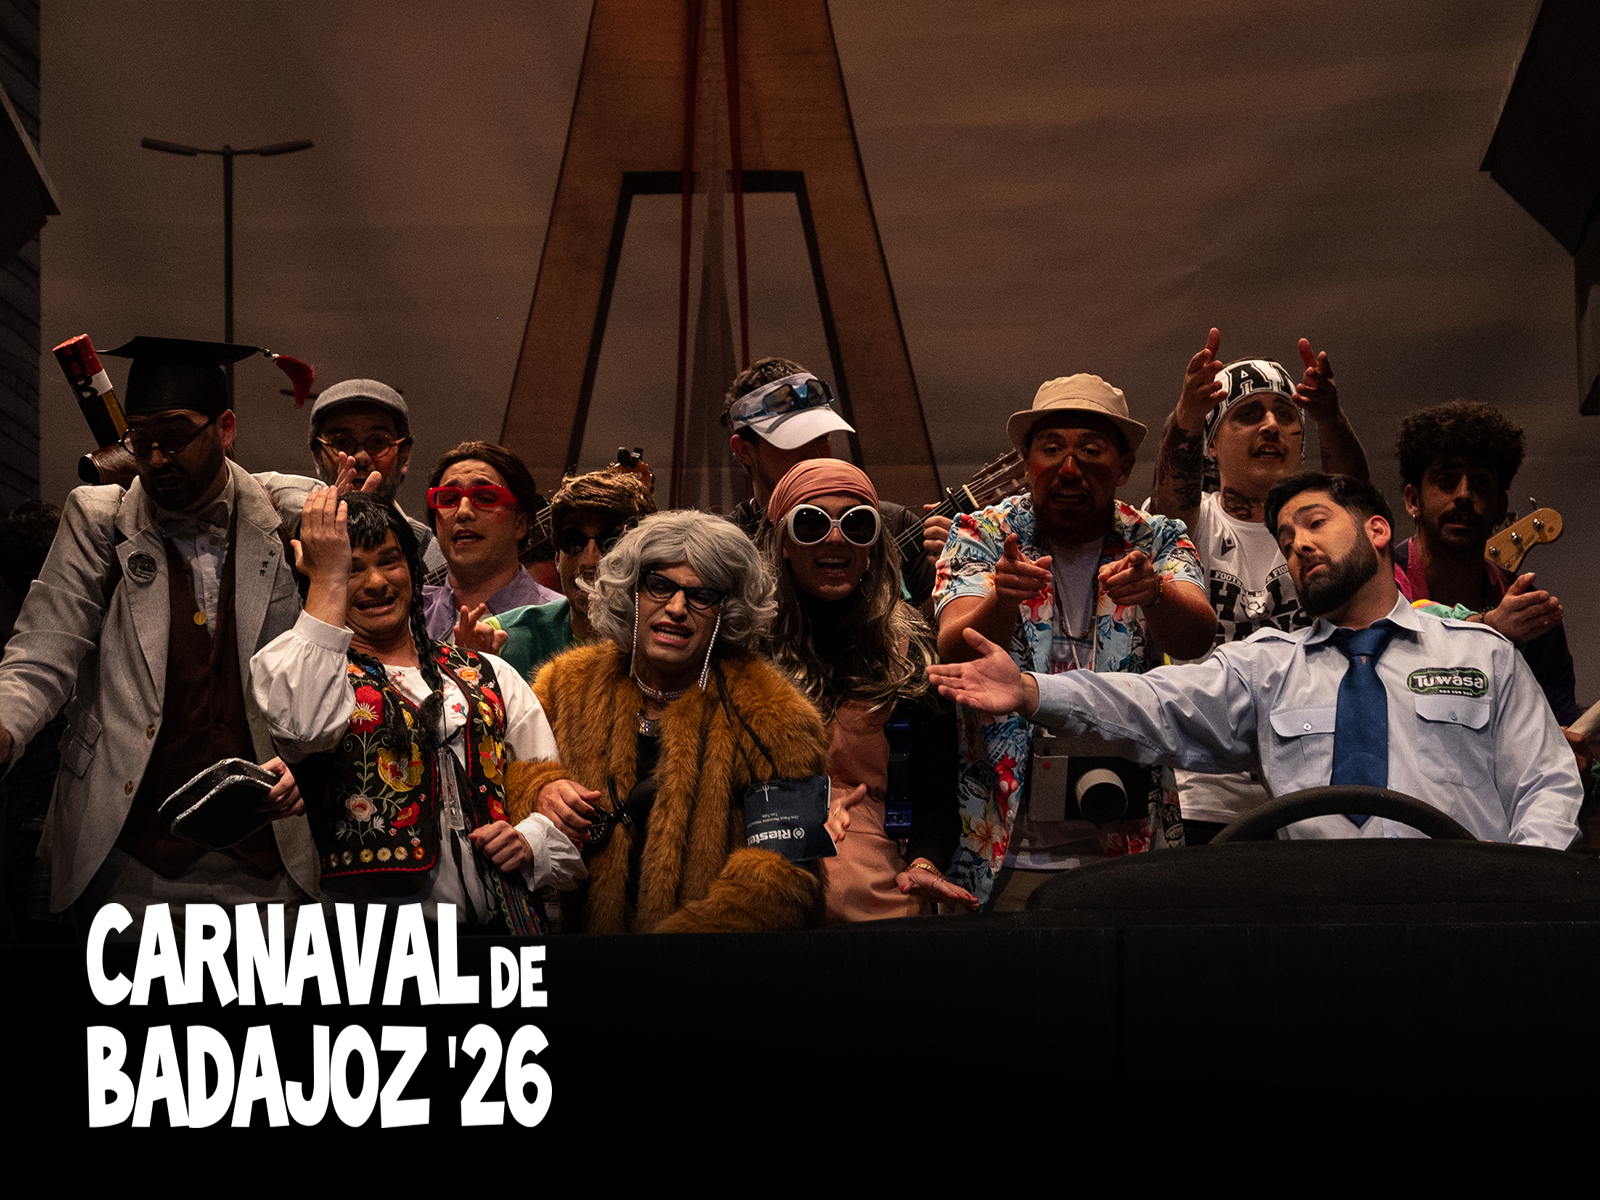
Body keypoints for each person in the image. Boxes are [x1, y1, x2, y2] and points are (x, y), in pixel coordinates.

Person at [929, 471, 1583, 848]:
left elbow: (1547, 786)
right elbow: (1152, 702)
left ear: (1378, 530)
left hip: (1468, 920)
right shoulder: (1268, 667)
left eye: (1316, 523)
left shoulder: (1483, 655)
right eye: (1286, 538)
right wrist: (1034, 690)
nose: (1298, 546)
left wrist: (1516, 898)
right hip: (1315, 927)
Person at [0, 337, 319, 928]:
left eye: (174, 438)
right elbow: (42, 650)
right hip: (127, 859)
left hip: (271, 860)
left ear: (225, 429)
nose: (156, 459)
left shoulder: (289, 514)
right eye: (140, 440)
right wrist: (5, 726)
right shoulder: (99, 518)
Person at [933, 374, 1214, 910]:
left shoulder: (1156, 538)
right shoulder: (982, 533)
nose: (1068, 468)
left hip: (1129, 847)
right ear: (1026, 463)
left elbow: (1197, 636)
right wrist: (1002, 600)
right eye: (1051, 449)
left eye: (1090, 450)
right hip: (1002, 852)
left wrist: (1156, 595)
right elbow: (955, 651)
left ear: (1124, 467)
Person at [251, 490, 581, 928]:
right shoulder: (295, 669)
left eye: (390, 561)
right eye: (352, 568)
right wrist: (327, 576)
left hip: (505, 935)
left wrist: (530, 841)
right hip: (376, 947)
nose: (376, 582)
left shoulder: (489, 673)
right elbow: (307, 729)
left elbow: (557, 806)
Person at [505, 510, 833, 933]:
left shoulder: (775, 714)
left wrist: (676, 949)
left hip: (706, 960)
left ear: (726, 611)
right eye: (660, 587)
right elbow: (497, 781)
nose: (676, 608)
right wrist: (538, 791)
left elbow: (786, 873)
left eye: (702, 595)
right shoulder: (564, 686)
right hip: (575, 957)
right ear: (632, 593)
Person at [1148, 328, 1370, 841]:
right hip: (1204, 793)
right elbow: (1167, 510)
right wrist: (1187, 417)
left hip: (1315, 790)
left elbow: (1357, 505)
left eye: (1285, 415)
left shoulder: (1320, 528)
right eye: (1248, 414)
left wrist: (1329, 417)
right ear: (1211, 444)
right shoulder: (1198, 521)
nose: (1271, 425)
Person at [764, 459, 974, 919]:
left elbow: (936, 792)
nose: (835, 538)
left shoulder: (911, 651)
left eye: (857, 523)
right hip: (762, 870)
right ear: (784, 544)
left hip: (880, 889)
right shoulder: (745, 645)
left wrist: (924, 864)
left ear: (873, 546)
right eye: (812, 523)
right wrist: (799, 808)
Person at [1392, 400, 1577, 727]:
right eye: (1446, 480)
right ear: (1413, 500)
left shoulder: (1531, 612)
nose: (1463, 495)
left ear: (1500, 506)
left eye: (1479, 482)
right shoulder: (1377, 585)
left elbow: (1555, 728)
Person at [722, 356, 938, 606]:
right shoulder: (724, 548)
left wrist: (953, 578)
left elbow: (934, 628)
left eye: (822, 437)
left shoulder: (892, 524)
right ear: (744, 450)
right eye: (793, 440)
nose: (815, 453)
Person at [472, 466, 657, 681]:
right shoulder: (502, 639)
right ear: (557, 557)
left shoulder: (667, 644)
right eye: (573, 541)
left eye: (610, 542)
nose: (589, 562)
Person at [421, 441, 561, 645]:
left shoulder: (562, 622)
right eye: (449, 499)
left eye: (485, 498)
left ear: (520, 524)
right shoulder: (404, 616)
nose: (463, 512)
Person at [308, 377, 446, 575]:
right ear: (316, 456)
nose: (361, 457)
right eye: (342, 442)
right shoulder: (287, 548)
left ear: (405, 457)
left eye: (378, 442)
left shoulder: (434, 557)